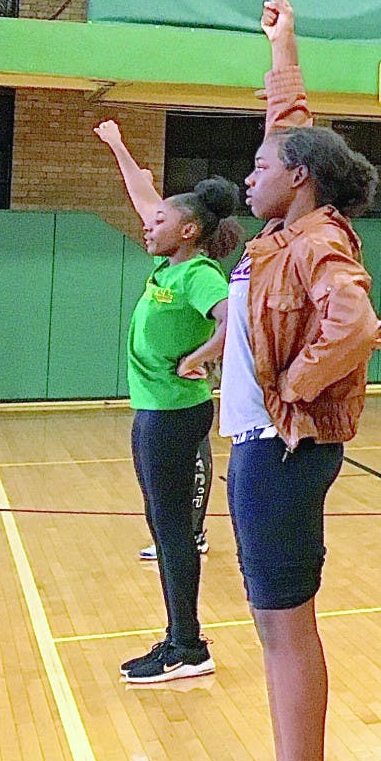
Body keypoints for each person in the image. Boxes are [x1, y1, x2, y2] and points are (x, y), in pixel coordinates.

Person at [202, 0, 381, 761]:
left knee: (285, 627)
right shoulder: (287, 227)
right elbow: (291, 123)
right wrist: (283, 46)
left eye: (262, 164)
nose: (248, 174)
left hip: (281, 454)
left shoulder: (318, 244)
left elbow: (354, 326)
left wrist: (292, 396)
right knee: (280, 624)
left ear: (299, 179)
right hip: (266, 449)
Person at [93, 120, 240, 683]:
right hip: (156, 411)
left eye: (159, 223)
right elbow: (144, 196)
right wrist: (118, 148)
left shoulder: (198, 275)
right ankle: (182, 638)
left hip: (174, 415)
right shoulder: (171, 262)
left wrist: (201, 356)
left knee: (173, 529)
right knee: (163, 523)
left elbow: (233, 321)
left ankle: (187, 645)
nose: (146, 226)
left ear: (187, 230)